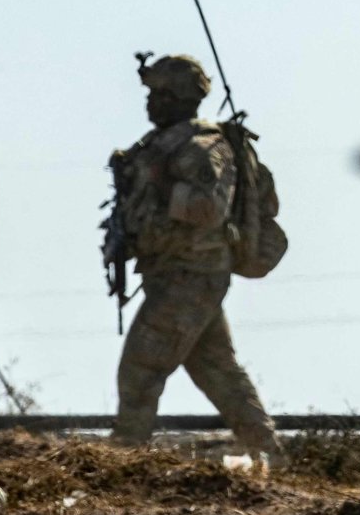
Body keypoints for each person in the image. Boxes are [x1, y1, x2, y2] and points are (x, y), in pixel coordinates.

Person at [109, 54, 283, 461]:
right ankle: (271, 453)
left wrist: (161, 187)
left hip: (192, 274)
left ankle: (120, 460)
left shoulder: (204, 147)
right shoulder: (161, 145)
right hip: (173, 274)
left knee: (140, 370)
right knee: (218, 371)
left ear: (180, 96)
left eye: (159, 93)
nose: (150, 102)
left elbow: (210, 207)